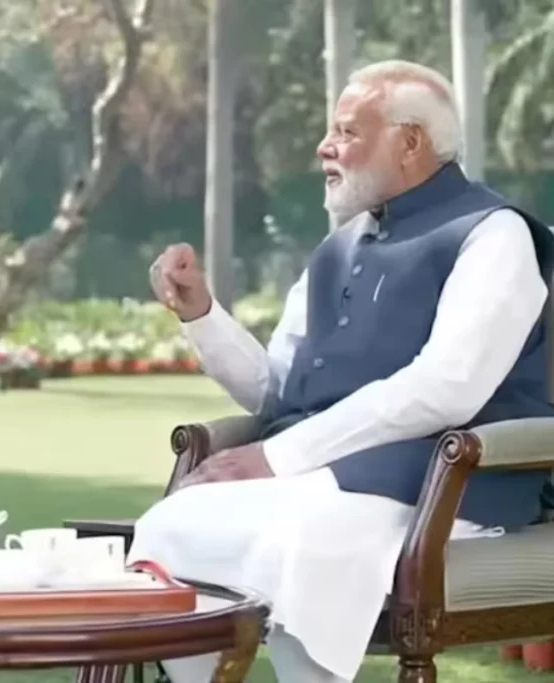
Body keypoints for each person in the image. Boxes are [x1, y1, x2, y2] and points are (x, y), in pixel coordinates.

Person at [132, 60, 554, 683]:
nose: (324, 147)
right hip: (330, 480)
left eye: (348, 131)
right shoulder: (337, 250)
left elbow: (447, 389)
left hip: (449, 485)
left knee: (310, 539)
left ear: (411, 142)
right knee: (174, 523)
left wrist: (277, 458)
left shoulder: (493, 236)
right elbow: (278, 392)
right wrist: (201, 315)